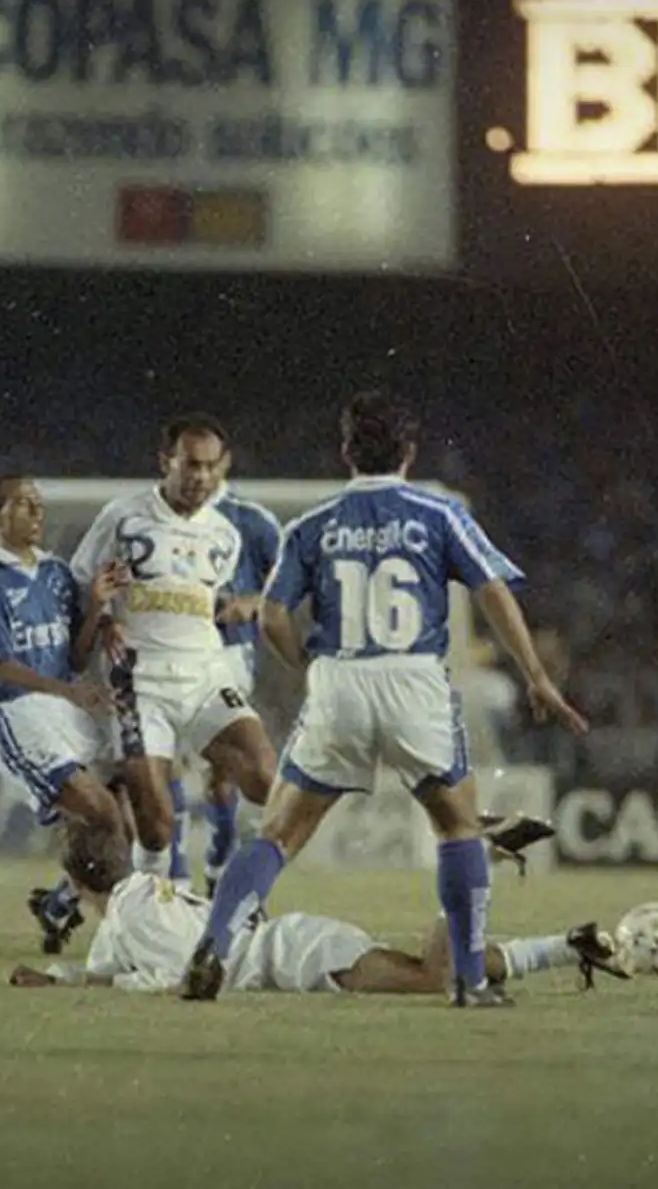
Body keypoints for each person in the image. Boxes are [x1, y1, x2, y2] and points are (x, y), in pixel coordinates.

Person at [183, 392, 589, 1008]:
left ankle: (213, 944)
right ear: (409, 452)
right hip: (413, 681)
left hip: (340, 680)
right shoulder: (438, 513)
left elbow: (270, 615)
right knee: (456, 826)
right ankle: (471, 980)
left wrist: (309, 665)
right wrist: (535, 673)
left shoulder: (311, 525)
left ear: (346, 452)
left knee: (278, 834)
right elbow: (492, 590)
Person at [9, 820, 625, 995]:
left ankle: (473, 855)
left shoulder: (134, 916)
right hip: (291, 947)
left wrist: (120, 988)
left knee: (434, 977)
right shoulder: (137, 897)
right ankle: (566, 946)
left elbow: (176, 975)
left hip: (293, 955)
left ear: (75, 879)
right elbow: (102, 970)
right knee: (447, 971)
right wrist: (57, 980)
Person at [68, 416, 280, 879]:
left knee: (268, 779)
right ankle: (152, 903)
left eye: (210, 466)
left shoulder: (225, 533)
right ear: (166, 462)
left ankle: (230, 879)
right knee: (157, 826)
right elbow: (79, 583)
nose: (200, 477)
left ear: (223, 467)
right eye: (190, 466)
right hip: (141, 683)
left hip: (206, 676)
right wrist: (100, 619)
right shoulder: (123, 517)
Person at [0, 475, 130, 953]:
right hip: (14, 712)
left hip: (63, 707)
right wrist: (67, 692)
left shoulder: (57, 573)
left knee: (117, 813)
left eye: (38, 504)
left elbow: (77, 659)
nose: (36, 512)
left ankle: (60, 904)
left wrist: (97, 605)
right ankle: (125, 935)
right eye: (22, 504)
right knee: (100, 813)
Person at [178, 475, 282, 894]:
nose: (198, 473)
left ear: (223, 461)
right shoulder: (151, 516)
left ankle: (220, 859)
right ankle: (172, 880)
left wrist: (249, 604)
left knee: (223, 769)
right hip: (168, 654)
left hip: (229, 655)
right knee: (162, 764)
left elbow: (288, 588)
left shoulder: (252, 520)